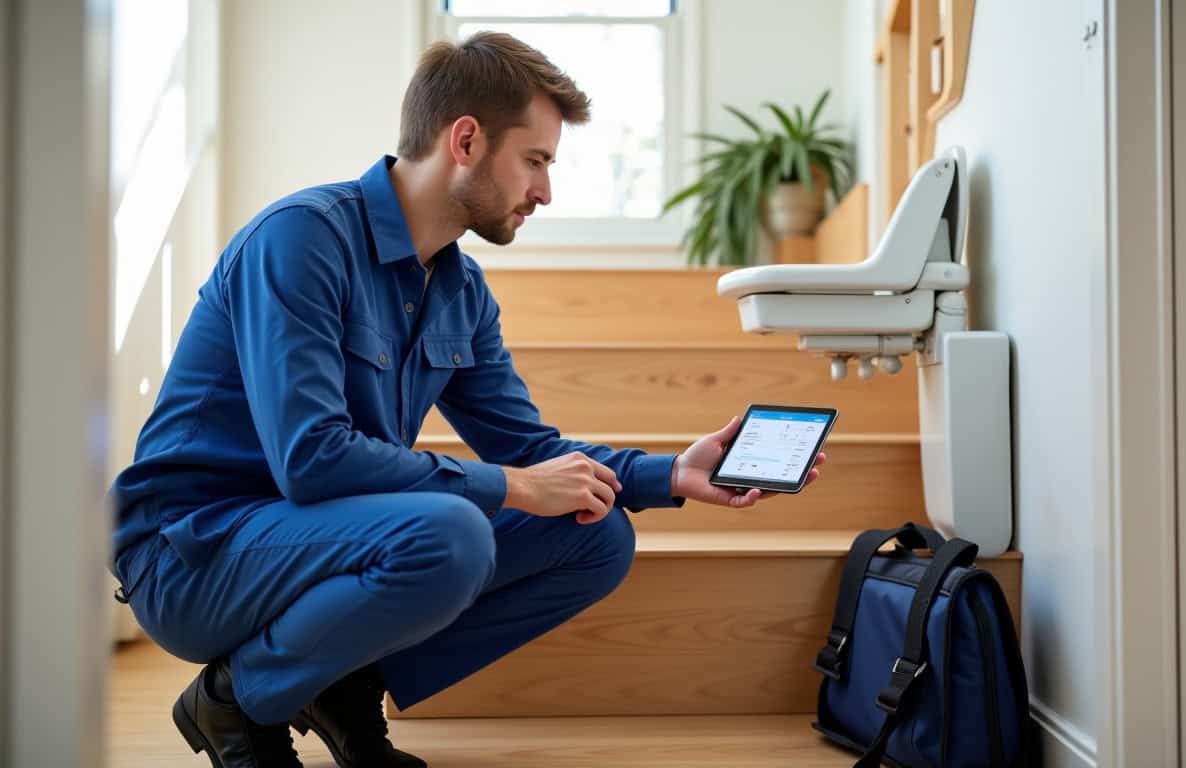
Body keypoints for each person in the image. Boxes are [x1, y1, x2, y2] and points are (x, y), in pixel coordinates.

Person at [108, 31, 824, 768]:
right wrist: (512, 487)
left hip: (315, 541)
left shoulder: (461, 292)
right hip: (193, 554)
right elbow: (312, 461)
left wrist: (671, 473)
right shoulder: (302, 240)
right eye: (536, 160)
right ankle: (234, 699)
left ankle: (339, 681)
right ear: (467, 140)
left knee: (595, 535)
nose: (544, 190)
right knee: (450, 533)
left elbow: (531, 453)